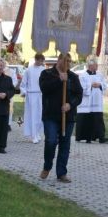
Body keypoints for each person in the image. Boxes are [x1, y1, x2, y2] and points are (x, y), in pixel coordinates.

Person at [39, 53, 82, 182]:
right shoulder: (47, 74)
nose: (68, 63)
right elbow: (44, 88)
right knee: (51, 141)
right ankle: (47, 166)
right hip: (51, 115)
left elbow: (79, 95)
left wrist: (70, 104)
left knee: (65, 144)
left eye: (69, 61)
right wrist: (59, 80)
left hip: (67, 116)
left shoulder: (73, 77)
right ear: (58, 60)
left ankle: (61, 173)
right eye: (65, 61)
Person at [76, 59, 108, 143]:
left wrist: (100, 85)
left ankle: (101, 137)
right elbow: (81, 88)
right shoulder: (82, 76)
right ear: (90, 66)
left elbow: (105, 84)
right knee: (86, 119)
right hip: (86, 102)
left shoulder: (100, 75)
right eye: (96, 65)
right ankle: (84, 137)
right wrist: (90, 85)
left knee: (98, 119)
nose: (97, 67)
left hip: (97, 102)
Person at [19, 53, 46, 143]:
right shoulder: (29, 70)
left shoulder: (43, 70)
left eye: (42, 61)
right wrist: (24, 92)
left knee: (40, 115)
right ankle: (33, 135)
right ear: (36, 59)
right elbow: (23, 83)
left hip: (41, 95)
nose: (41, 62)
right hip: (31, 95)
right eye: (40, 60)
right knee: (33, 115)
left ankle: (37, 133)